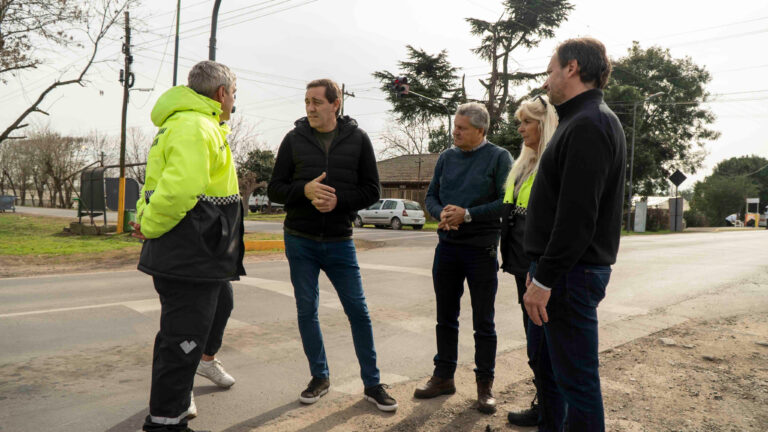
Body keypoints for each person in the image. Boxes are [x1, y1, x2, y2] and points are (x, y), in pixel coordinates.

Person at [267, 78, 397, 412]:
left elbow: (372, 190)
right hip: (300, 239)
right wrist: (305, 191)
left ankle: (372, 383)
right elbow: (275, 189)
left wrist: (338, 201)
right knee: (306, 310)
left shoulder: (358, 139)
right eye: (307, 102)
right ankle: (319, 377)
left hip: (340, 241)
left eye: (317, 102)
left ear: (335, 104)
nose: (310, 108)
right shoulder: (293, 140)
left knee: (358, 311)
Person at [130, 60, 245, 432]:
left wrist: (146, 218)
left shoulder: (187, 123)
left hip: (201, 254)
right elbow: (179, 189)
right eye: (234, 95)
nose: (233, 103)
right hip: (191, 254)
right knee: (181, 341)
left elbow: (154, 184)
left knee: (216, 308)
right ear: (222, 93)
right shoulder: (196, 125)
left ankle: (198, 370)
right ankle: (165, 422)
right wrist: (149, 223)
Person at [522, 37, 626, 431]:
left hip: (570, 275)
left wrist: (545, 277)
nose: (546, 81)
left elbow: (578, 217)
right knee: (553, 377)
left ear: (572, 69)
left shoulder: (591, 124)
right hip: (558, 271)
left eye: (551, 69)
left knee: (577, 383)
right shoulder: (578, 121)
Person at [414, 102, 512, 414]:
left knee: (483, 320)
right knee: (445, 317)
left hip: (481, 250)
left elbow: (505, 202)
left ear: (480, 131)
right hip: (447, 248)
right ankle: (443, 376)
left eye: (461, 128)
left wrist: (467, 215)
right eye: (454, 127)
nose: (454, 132)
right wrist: (440, 212)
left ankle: (485, 386)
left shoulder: (499, 157)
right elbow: (431, 196)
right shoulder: (446, 157)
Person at [500, 95, 558, 427]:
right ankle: (545, 405)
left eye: (527, 122)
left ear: (543, 124)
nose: (520, 128)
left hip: (538, 267)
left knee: (546, 343)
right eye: (519, 121)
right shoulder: (524, 163)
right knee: (533, 340)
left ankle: (551, 411)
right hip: (519, 263)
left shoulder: (552, 163)